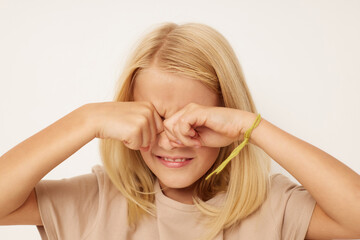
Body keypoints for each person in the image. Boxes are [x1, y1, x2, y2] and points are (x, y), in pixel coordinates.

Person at [0, 22, 359, 240]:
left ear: (225, 114)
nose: (171, 139)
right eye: (153, 117)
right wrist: (85, 120)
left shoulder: (272, 206)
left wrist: (253, 126)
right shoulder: (93, 202)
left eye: (193, 119)